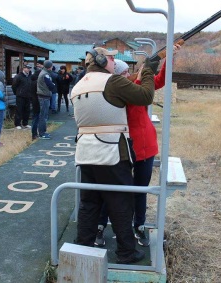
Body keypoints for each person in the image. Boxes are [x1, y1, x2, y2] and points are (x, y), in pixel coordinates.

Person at [70, 47, 159, 264]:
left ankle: (84, 248)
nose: (113, 61)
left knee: (89, 203)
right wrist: (147, 71)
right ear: (101, 60)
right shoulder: (112, 81)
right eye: (110, 57)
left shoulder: (79, 85)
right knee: (121, 203)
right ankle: (126, 252)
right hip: (111, 152)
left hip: (85, 153)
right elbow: (146, 95)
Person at [95, 45, 182, 248]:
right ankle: (100, 226)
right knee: (113, 190)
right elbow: (140, 84)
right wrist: (144, 72)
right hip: (122, 146)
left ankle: (139, 226)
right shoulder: (115, 90)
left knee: (140, 190)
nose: (128, 75)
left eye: (128, 72)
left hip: (144, 145)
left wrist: (168, 58)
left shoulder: (134, 85)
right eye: (124, 72)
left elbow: (159, 81)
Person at [37, 60, 54, 139]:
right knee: (43, 115)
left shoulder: (43, 72)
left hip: (43, 95)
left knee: (43, 115)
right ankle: (42, 133)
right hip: (44, 96)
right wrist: (53, 84)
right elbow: (51, 85)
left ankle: (43, 132)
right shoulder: (45, 74)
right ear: (50, 66)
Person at [12, 64, 32, 129]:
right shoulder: (18, 76)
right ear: (24, 68)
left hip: (28, 95)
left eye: (29, 68)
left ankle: (25, 123)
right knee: (19, 110)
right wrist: (17, 93)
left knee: (27, 110)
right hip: (20, 96)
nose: (28, 69)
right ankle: (17, 124)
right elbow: (14, 86)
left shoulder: (30, 76)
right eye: (27, 68)